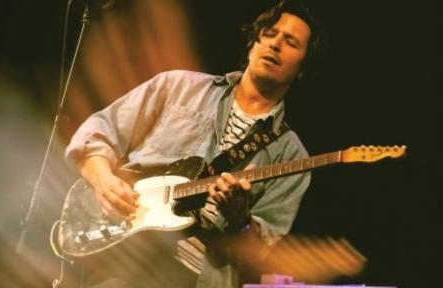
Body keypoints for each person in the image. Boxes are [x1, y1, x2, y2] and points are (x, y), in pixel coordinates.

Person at [64, 0, 323, 287]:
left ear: (302, 67)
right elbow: (98, 131)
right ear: (253, 43)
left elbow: (258, 251)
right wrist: (103, 181)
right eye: (270, 33)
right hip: (126, 252)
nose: (275, 44)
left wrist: (241, 220)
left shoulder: (292, 156)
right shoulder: (178, 87)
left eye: (290, 42)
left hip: (194, 276)